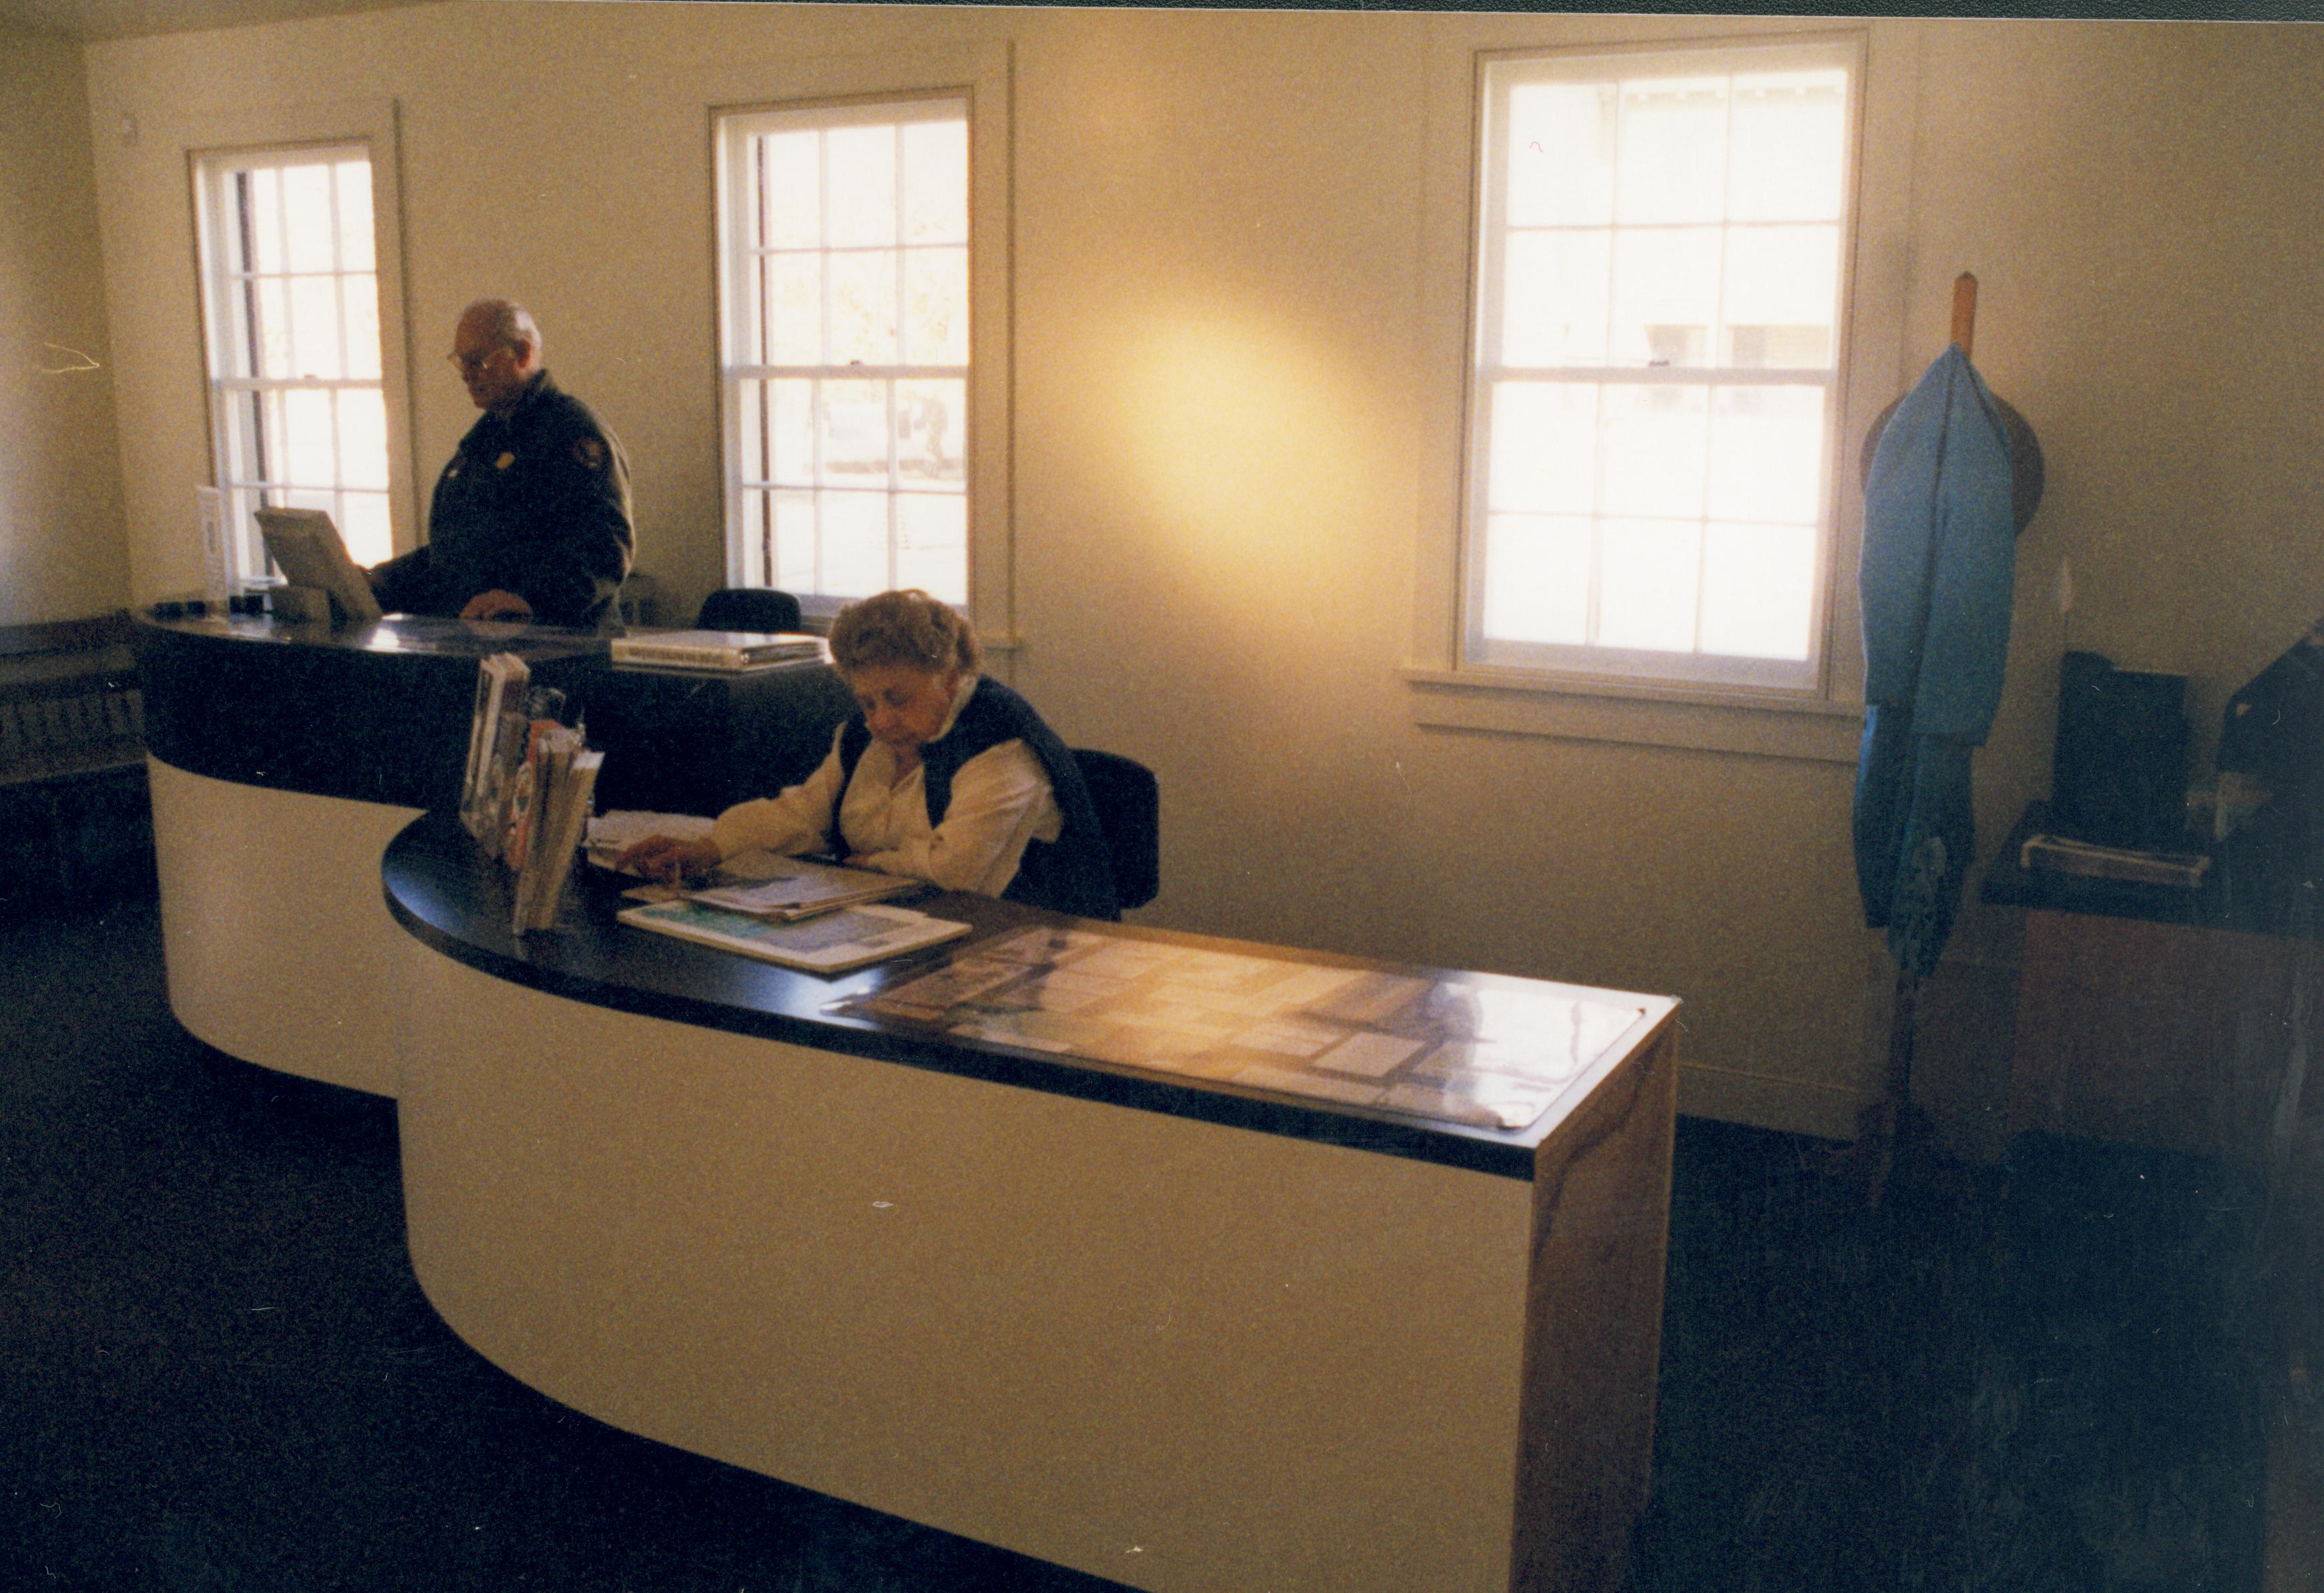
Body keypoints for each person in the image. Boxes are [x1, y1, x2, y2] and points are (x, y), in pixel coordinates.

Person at [618, 589, 1120, 919]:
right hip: (914, 930)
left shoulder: (1000, 746)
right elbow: (802, 813)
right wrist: (709, 848)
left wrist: (872, 864)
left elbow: (958, 872)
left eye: (896, 699)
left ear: (948, 678)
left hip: (1033, 947)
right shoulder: (865, 740)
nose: (880, 719)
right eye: (866, 701)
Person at [369, 299, 634, 627]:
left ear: (522, 354)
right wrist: (376, 582)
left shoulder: (571, 432)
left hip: (562, 646)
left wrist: (531, 600)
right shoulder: (487, 438)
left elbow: (606, 549)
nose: (466, 375)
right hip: (483, 639)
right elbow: (454, 554)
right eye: (461, 362)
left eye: (478, 362)